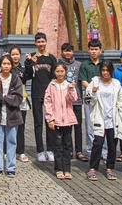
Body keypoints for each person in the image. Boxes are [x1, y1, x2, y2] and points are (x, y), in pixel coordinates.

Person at [85, 61, 122, 182]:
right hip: (99, 118)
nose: (105, 73)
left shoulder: (116, 84)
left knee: (112, 145)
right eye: (103, 70)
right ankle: (93, 168)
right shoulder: (95, 82)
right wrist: (93, 92)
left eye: (107, 70)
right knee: (97, 143)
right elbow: (88, 101)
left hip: (113, 119)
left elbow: (121, 103)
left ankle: (110, 167)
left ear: (111, 71)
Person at [0, 54, 23, 177]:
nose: (6, 66)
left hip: (12, 114)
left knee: (12, 141)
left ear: (12, 65)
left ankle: (11, 167)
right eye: (4, 64)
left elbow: (18, 97)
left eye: (8, 64)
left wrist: (3, 98)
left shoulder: (16, 78)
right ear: (0, 65)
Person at [24, 32, 57, 163]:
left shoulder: (51, 58)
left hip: (49, 94)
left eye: (43, 41)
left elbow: (55, 77)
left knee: (50, 122)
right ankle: (40, 150)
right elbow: (27, 75)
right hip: (36, 93)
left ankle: (50, 149)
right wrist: (29, 63)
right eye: (38, 42)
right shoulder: (32, 57)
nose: (41, 44)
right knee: (38, 123)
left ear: (46, 42)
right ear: (35, 43)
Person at [44, 62, 78, 180]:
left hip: (67, 119)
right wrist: (50, 118)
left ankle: (67, 169)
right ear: (54, 72)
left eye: (62, 71)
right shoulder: (51, 86)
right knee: (57, 146)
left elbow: (73, 99)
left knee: (67, 145)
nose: (60, 74)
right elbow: (47, 102)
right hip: (56, 119)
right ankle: (58, 169)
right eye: (57, 71)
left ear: (65, 72)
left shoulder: (68, 85)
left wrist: (72, 89)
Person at [58, 43, 84, 161]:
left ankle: (79, 150)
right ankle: (68, 150)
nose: (68, 53)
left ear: (73, 52)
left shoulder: (79, 64)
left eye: (70, 51)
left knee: (78, 126)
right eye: (65, 51)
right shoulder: (59, 65)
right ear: (62, 52)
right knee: (66, 127)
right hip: (64, 101)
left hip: (76, 100)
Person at [78, 39, 103, 160]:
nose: (94, 52)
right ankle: (90, 150)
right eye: (92, 49)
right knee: (89, 125)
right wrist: (92, 89)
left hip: (103, 99)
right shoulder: (84, 65)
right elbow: (83, 80)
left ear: (100, 50)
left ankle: (104, 151)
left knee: (103, 124)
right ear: (88, 51)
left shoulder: (104, 64)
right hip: (89, 98)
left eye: (96, 49)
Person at [8, 45, 30, 163]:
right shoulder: (7, 69)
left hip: (22, 100)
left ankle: (20, 151)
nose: (15, 57)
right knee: (9, 126)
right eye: (13, 54)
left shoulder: (23, 68)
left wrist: (29, 63)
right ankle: (8, 151)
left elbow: (29, 75)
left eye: (17, 54)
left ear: (20, 55)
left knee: (21, 127)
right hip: (10, 100)